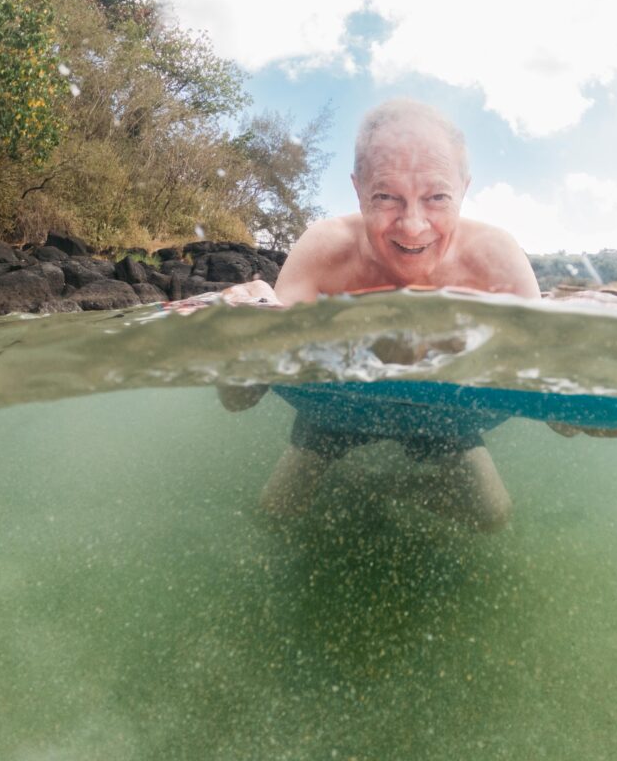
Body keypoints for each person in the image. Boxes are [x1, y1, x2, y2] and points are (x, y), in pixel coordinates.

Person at [221, 98, 541, 531]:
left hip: (440, 415)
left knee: (492, 516)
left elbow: (550, 391)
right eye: (387, 196)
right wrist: (240, 329)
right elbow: (238, 399)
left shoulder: (496, 261)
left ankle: (381, 488)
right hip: (339, 405)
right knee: (276, 511)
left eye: (437, 197)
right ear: (358, 189)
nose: (413, 226)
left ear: (465, 189)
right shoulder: (325, 250)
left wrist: (598, 407)